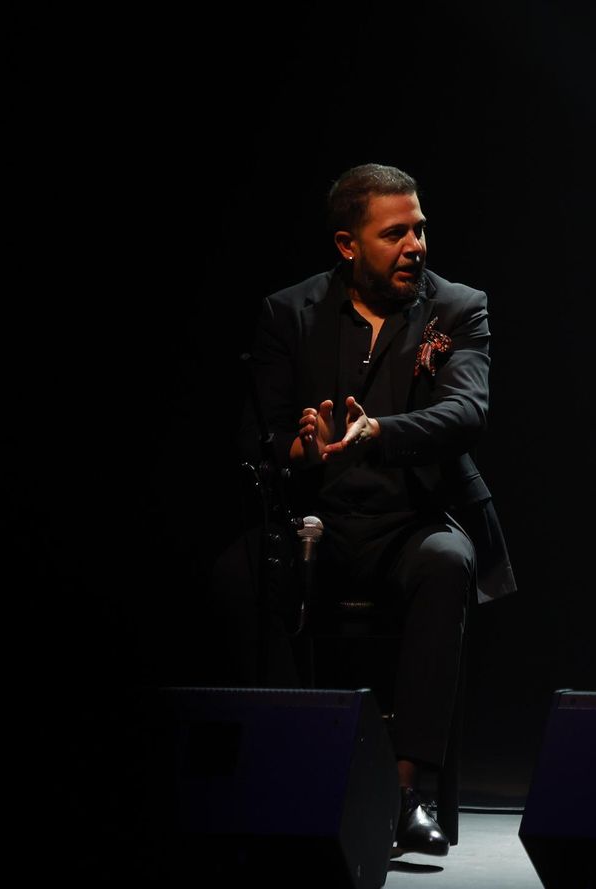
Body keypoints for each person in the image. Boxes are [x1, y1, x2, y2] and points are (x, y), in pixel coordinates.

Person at [235, 163, 514, 857]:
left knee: (450, 562)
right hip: (316, 521)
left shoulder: (457, 307)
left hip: (412, 518)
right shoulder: (287, 313)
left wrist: (379, 432)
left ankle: (405, 792)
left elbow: (465, 413)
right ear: (347, 244)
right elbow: (259, 435)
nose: (416, 244)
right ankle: (274, 773)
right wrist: (300, 450)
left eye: (419, 227)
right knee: (232, 578)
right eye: (395, 233)